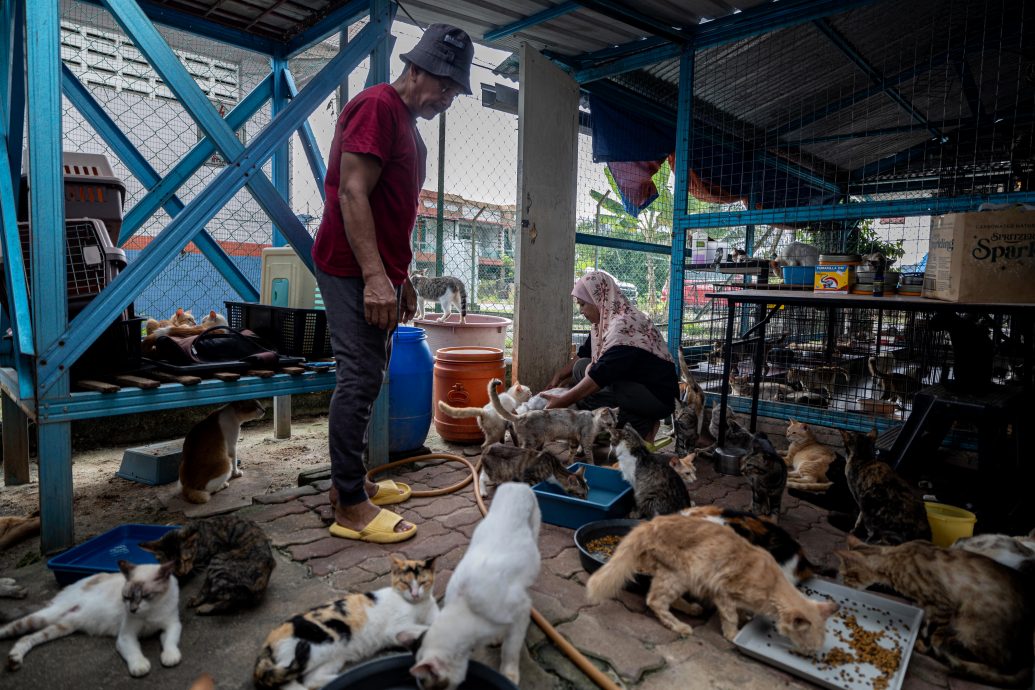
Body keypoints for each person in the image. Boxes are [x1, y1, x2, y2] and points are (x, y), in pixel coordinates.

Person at [311, 24, 474, 543]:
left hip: (378, 272)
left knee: (370, 377)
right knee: (359, 377)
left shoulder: (407, 128)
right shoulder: (377, 107)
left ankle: (350, 485)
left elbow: (393, 214)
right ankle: (350, 507)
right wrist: (375, 277)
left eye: (454, 90)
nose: (448, 97)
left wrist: (399, 280)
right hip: (348, 267)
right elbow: (352, 194)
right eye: (445, 85)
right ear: (417, 68)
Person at [543, 270, 678, 440]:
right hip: (635, 387)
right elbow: (585, 353)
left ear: (598, 299)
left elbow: (600, 375)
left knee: (593, 396)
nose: (581, 311)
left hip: (658, 397)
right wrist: (559, 375)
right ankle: (627, 418)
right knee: (580, 368)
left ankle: (640, 424)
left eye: (583, 304)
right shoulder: (605, 322)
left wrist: (561, 401)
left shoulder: (625, 326)